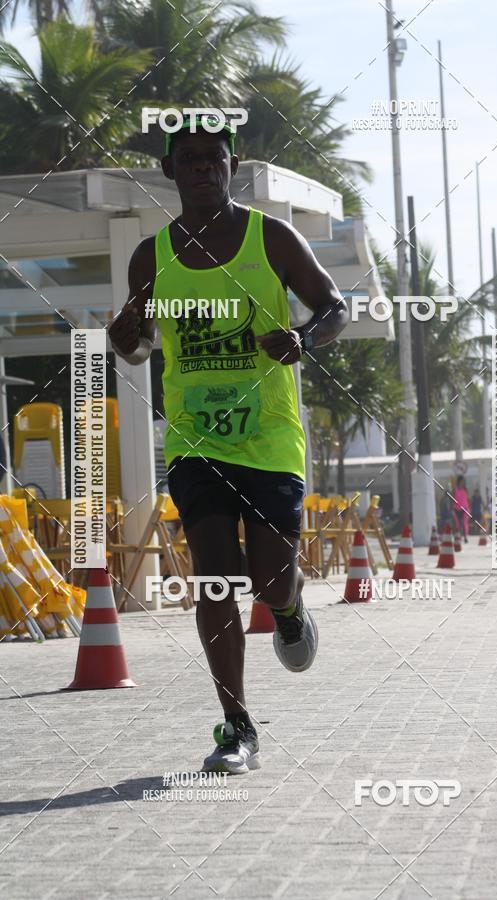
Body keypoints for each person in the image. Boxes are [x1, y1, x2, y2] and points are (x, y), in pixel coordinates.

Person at [108, 113, 349, 773]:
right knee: (213, 576)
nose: (205, 169)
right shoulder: (150, 257)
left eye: (216, 159)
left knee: (270, 574)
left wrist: (303, 337)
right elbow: (133, 348)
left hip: (269, 437)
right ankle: (236, 726)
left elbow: (334, 307)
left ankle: (290, 607)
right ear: (170, 171)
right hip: (194, 440)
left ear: (232, 167)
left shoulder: (271, 238)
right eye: (191, 160)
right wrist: (123, 330)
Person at [453, 475, 471, 542]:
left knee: (464, 523)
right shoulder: (455, 489)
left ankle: (466, 537)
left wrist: (469, 508)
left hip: (465, 509)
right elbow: (452, 499)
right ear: (459, 481)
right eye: (461, 481)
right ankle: (458, 537)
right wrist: (452, 509)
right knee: (457, 524)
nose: (462, 482)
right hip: (456, 509)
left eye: (463, 481)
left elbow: (468, 499)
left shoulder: (465, 489)